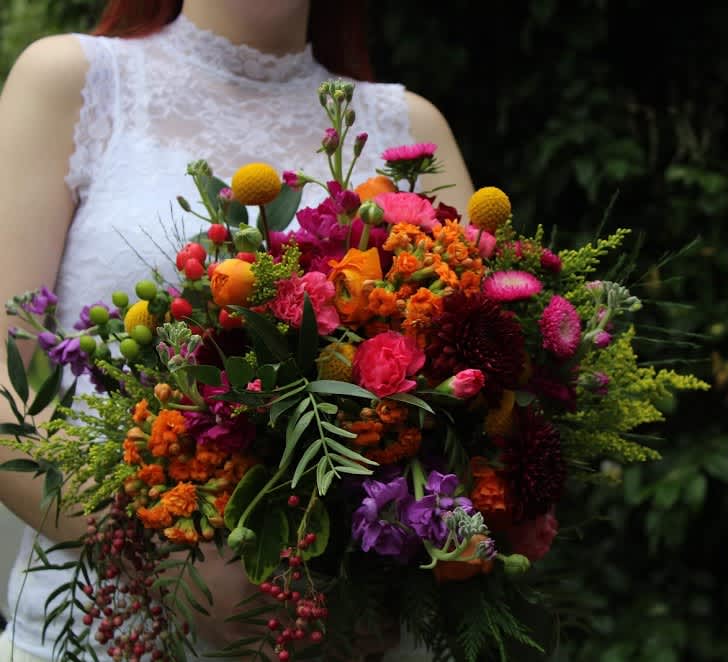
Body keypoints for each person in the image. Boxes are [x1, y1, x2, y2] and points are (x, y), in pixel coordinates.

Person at [0, 0, 475, 660]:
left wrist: (376, 582)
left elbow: (478, 400)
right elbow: (5, 381)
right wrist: (174, 561)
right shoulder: (73, 80)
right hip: (114, 626)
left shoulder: (410, 128)